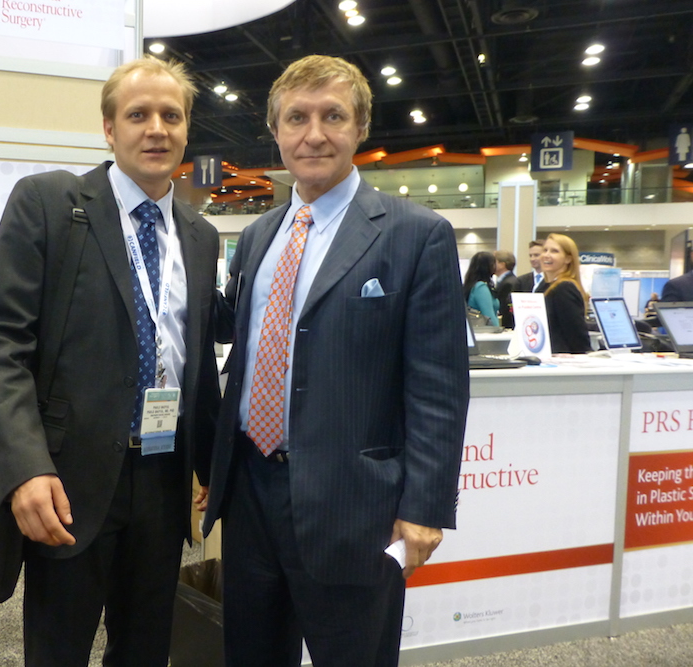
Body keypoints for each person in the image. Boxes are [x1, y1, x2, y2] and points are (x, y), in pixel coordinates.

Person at [204, 55, 469, 667]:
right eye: (297, 118)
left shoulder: (415, 234)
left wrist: (425, 507)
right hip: (251, 492)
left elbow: (438, 386)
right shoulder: (258, 235)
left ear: (360, 128)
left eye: (333, 116)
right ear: (276, 131)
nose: (314, 134)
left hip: (356, 505)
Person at [0, 57, 220, 667]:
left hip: (163, 479)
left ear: (186, 130)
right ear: (109, 128)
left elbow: (195, 358)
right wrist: (25, 467)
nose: (156, 128)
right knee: (59, 650)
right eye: (138, 115)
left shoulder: (199, 235)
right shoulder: (50, 203)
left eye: (171, 116)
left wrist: (212, 464)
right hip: (68, 479)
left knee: (146, 649)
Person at [537, 233, 590, 354]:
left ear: (568, 259)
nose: (546, 255)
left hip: (563, 359)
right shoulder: (544, 286)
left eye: (554, 251)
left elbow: (577, 334)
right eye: (545, 250)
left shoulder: (564, 288)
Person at [463, 251, 499, 327]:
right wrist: (498, 330)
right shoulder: (481, 287)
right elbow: (489, 316)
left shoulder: (473, 284)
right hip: (486, 331)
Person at [494, 250, 517, 328]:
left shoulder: (508, 283)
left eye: (494, 262)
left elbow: (505, 309)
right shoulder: (506, 281)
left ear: (502, 265)